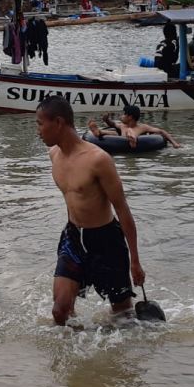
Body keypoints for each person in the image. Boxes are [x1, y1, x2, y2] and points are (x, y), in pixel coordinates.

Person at [36, 96, 146, 325]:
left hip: (106, 240)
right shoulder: (53, 155)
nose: (38, 131)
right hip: (73, 237)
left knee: (123, 316)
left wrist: (135, 260)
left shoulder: (98, 160)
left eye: (40, 123)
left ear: (58, 122)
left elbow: (122, 209)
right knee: (60, 312)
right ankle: (74, 357)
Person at [88, 103, 181, 149]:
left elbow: (161, 132)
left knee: (129, 131)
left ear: (130, 117)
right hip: (121, 139)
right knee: (114, 132)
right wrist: (106, 119)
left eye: (124, 114)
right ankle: (99, 132)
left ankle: (132, 139)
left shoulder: (142, 127)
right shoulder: (122, 125)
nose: (122, 116)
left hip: (134, 140)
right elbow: (112, 124)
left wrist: (174, 143)